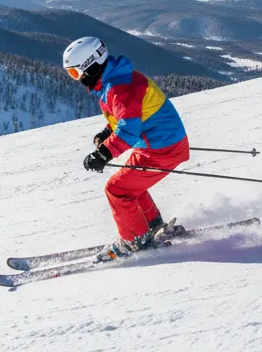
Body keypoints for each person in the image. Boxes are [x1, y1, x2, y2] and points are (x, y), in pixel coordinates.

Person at [63, 36, 190, 259]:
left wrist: (103, 153)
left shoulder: (119, 87)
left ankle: (134, 240)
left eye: (75, 73)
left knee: (117, 189)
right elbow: (125, 117)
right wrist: (107, 132)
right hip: (159, 144)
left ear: (90, 66)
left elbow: (129, 130)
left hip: (161, 149)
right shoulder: (116, 78)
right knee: (128, 187)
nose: (77, 79)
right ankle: (151, 225)